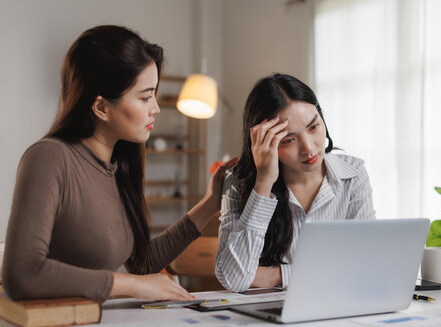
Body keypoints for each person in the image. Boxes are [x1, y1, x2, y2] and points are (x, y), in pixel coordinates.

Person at [1, 25, 237, 302]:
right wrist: (130, 285)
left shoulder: (118, 166)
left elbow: (142, 263)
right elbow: (22, 273)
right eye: (146, 97)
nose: (156, 108)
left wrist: (210, 203)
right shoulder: (48, 158)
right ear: (101, 107)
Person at [215, 73, 375, 292]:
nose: (309, 148)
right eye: (289, 139)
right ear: (262, 140)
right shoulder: (237, 182)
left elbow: (366, 265)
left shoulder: (353, 175)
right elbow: (235, 279)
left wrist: (276, 275)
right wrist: (264, 182)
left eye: (314, 127)